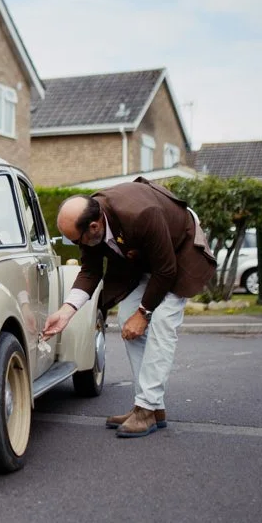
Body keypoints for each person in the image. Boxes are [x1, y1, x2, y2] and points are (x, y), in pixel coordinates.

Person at [42, 177, 216, 438]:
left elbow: (166, 271)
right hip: (147, 261)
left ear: (94, 226)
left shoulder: (142, 214)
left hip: (178, 255)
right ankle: (151, 406)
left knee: (161, 325)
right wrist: (66, 311)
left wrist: (144, 314)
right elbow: (90, 270)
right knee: (126, 319)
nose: (78, 247)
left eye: (77, 241)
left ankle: (145, 408)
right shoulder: (91, 219)